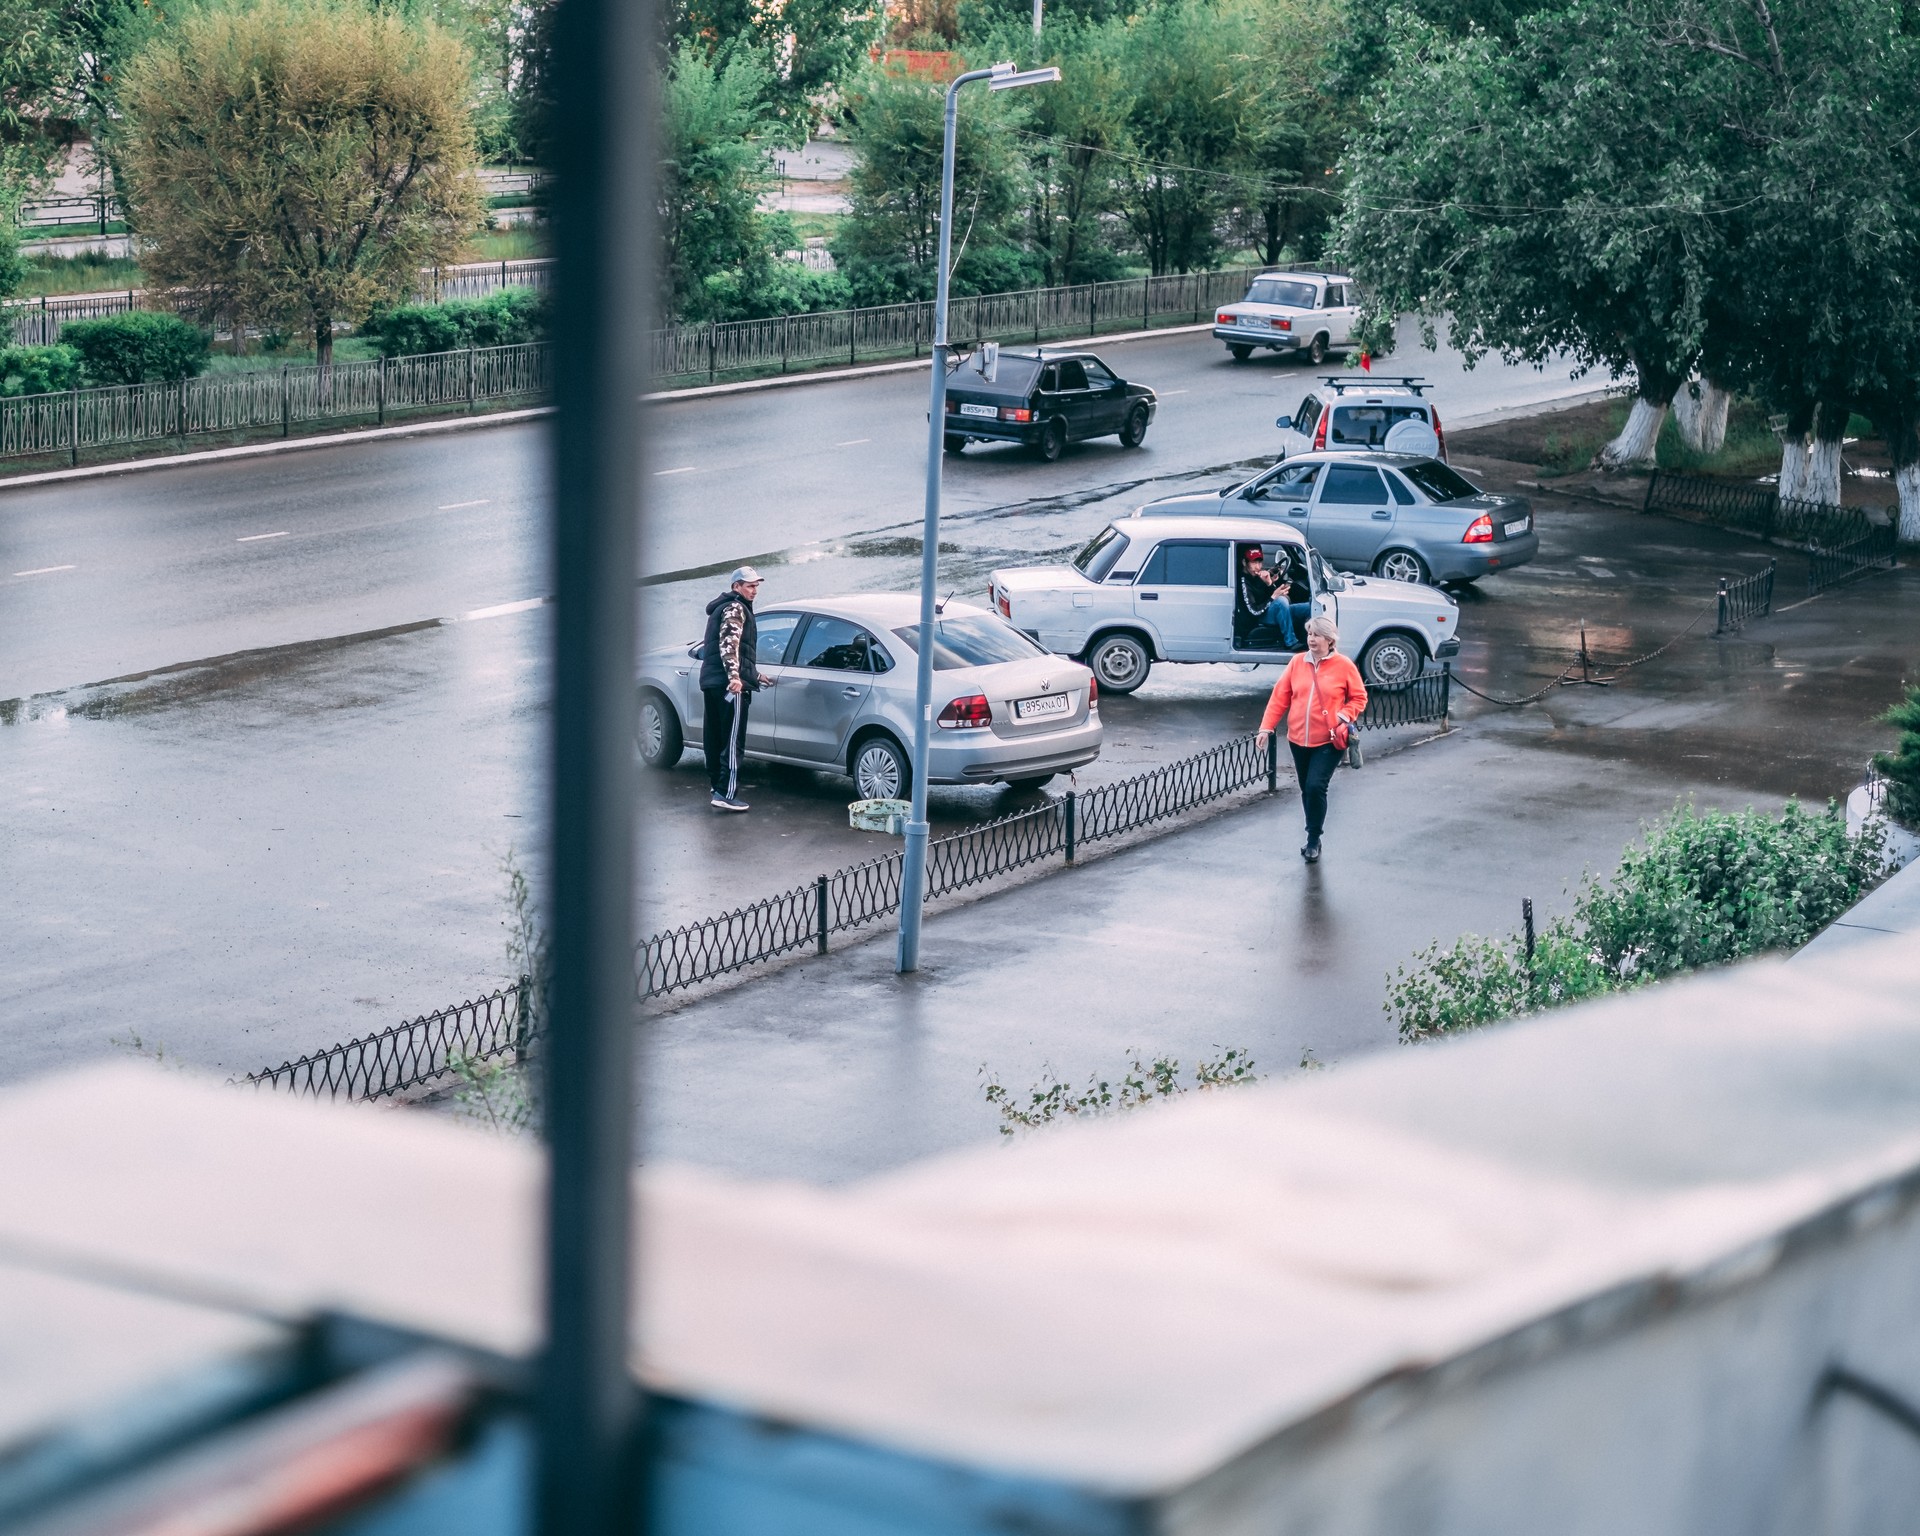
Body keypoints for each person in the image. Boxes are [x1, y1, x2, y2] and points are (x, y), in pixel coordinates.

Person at [1255, 615, 1367, 862]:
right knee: (1306, 789)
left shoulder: (1344, 665)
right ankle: (1313, 833)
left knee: (1316, 786)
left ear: (1329, 639)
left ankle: (1313, 839)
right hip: (1297, 740)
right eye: (1309, 634)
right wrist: (1266, 728)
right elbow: (1280, 697)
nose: (1311, 639)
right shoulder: (1297, 663)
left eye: (1317, 635)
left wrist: (1343, 715)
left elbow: (1359, 698)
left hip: (1329, 740)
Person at [700, 566, 769, 811]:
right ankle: (726, 794)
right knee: (732, 740)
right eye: (749, 586)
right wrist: (736, 678)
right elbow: (729, 645)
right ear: (736, 587)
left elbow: (732, 648)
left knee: (715, 737)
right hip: (730, 686)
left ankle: (716, 787)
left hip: (712, 683)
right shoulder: (736, 607)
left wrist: (756, 675)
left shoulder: (720, 608)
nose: (754, 590)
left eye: (756, 585)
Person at [1235, 545, 1299, 650]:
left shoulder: (1256, 576)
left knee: (1305, 608)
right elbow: (1254, 611)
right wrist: (1274, 597)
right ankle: (1291, 642)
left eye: (1260, 562)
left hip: (1266, 610)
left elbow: (1266, 595)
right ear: (1244, 563)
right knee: (1281, 602)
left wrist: (1269, 583)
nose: (1258, 567)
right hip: (1255, 618)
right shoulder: (1244, 581)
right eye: (1254, 563)